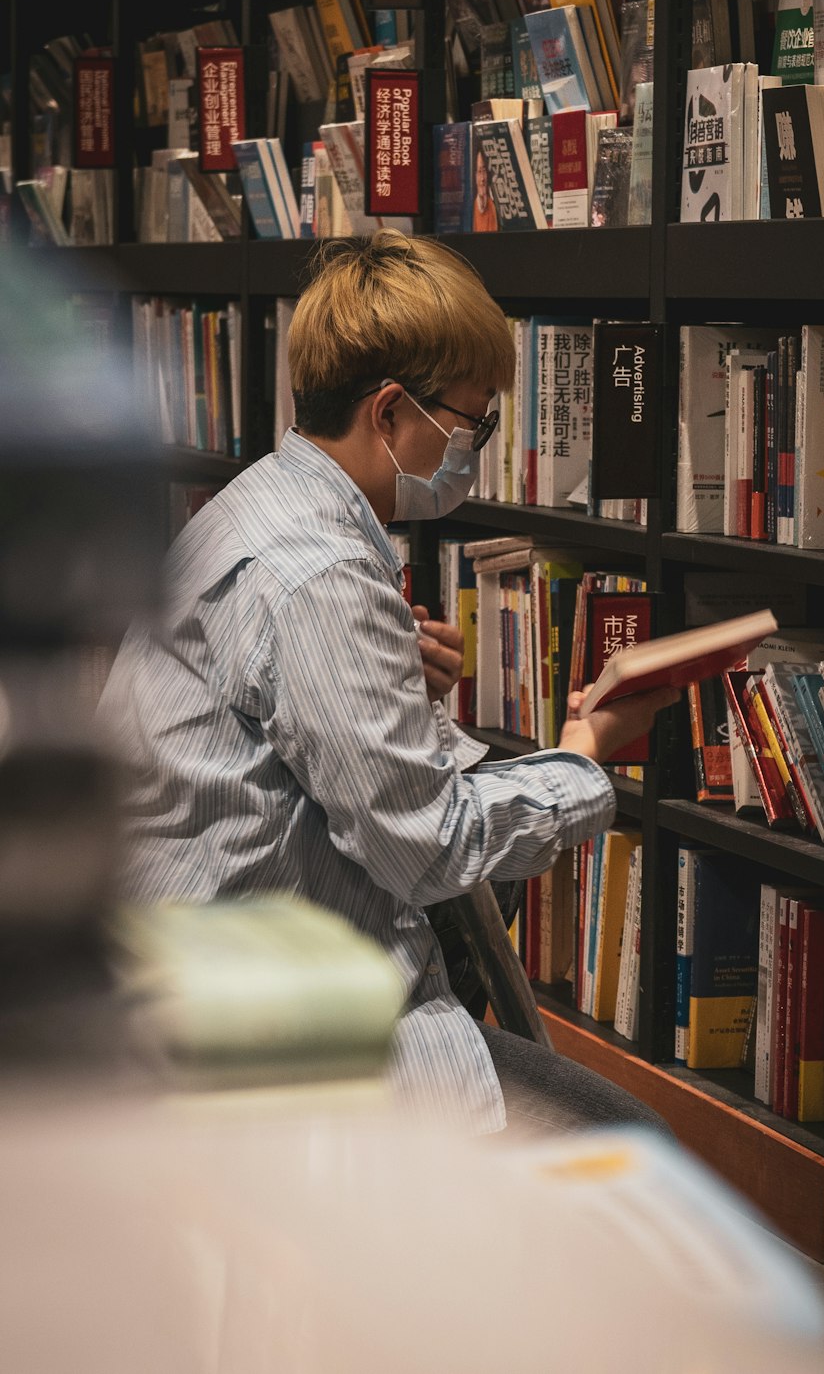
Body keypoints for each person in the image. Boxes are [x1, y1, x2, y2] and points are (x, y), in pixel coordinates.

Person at [99, 230, 677, 1135]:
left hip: (168, 963)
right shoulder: (322, 572)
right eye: (473, 422)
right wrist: (584, 758)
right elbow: (426, 847)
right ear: (392, 411)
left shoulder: (258, 502)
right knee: (629, 1154)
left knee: (483, 914)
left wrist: (387, 684)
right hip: (253, 1022)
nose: (475, 448)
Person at [472, 142, 498, 232]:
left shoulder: (492, 207)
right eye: (479, 172)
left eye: (484, 171)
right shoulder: (470, 209)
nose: (482, 178)